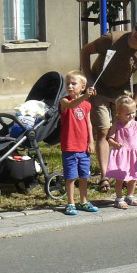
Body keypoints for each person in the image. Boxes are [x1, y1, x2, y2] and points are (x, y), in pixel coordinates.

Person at [80, 17, 137, 191]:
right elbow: (85, 51)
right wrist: (90, 79)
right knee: (104, 131)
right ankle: (104, 177)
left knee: (121, 134)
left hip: (122, 92)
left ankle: (122, 174)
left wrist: (133, 105)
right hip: (99, 88)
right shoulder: (113, 39)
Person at [58, 71, 99, 216]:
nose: (69, 86)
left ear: (82, 86)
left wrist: (91, 142)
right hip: (69, 146)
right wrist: (86, 96)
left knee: (84, 176)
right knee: (70, 177)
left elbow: (88, 124)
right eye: (67, 83)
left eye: (73, 83)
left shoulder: (87, 105)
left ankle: (83, 201)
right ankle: (70, 203)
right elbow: (70, 106)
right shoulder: (64, 101)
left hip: (83, 148)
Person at [106, 95, 137, 208]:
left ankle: (130, 195)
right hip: (122, 154)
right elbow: (110, 138)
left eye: (133, 112)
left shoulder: (136, 124)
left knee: (133, 177)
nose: (131, 116)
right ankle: (119, 198)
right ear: (119, 113)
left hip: (134, 154)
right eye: (128, 114)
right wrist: (115, 144)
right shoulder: (117, 125)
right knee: (120, 177)